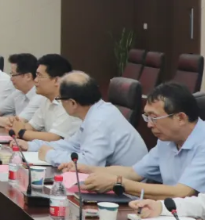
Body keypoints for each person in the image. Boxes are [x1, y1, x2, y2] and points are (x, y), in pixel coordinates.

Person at [62, 83, 205, 200]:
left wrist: (119, 183)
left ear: (180, 118)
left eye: (154, 118)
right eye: (147, 117)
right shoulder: (167, 140)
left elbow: (182, 192)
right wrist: (88, 169)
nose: (149, 124)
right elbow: (133, 172)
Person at [15, 71, 147, 167]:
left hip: (126, 190)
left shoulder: (99, 120)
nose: (60, 103)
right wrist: (32, 146)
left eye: (60, 99)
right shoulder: (96, 112)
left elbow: (89, 163)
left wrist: (50, 155)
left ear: (72, 103)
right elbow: (72, 144)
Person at [9, 54, 81, 142]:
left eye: (40, 76)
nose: (35, 80)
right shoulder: (46, 100)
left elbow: (54, 137)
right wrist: (18, 126)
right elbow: (31, 126)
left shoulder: (69, 103)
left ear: (56, 80)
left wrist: (21, 132)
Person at [0, 53, 44, 126]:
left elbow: (17, 123)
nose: (11, 78)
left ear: (28, 76)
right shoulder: (18, 93)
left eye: (13, 74)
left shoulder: (39, 96)